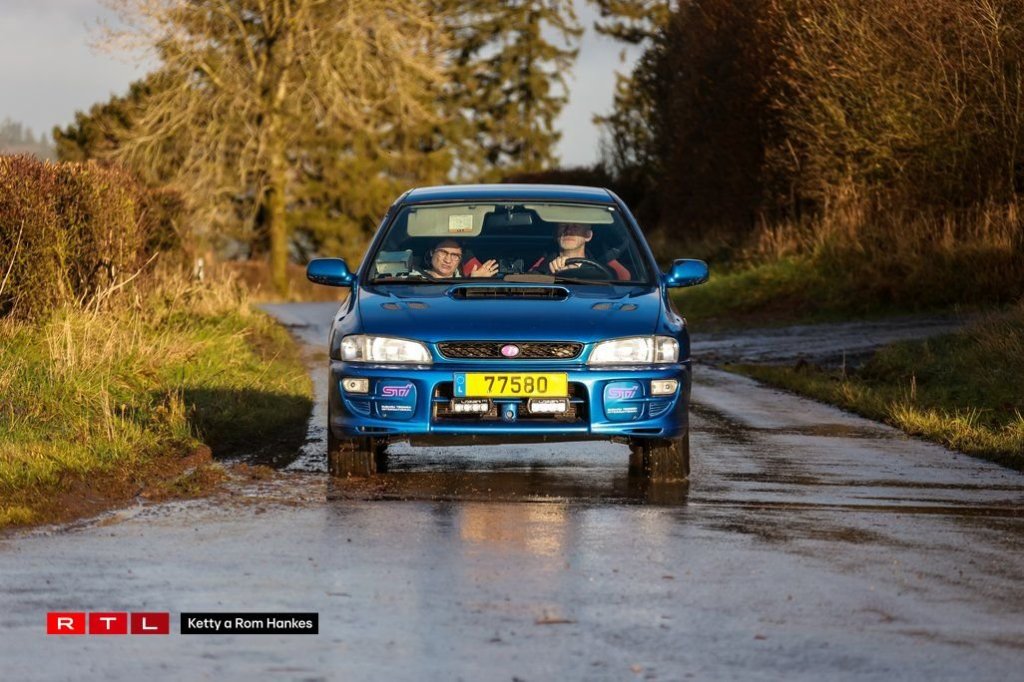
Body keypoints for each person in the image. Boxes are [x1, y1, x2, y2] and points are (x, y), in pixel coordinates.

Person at [529, 222, 631, 280]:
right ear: (556, 234)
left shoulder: (604, 271)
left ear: (588, 235)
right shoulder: (542, 269)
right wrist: (550, 274)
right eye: (563, 226)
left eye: (575, 226)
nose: (568, 231)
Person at [420, 239, 497, 279]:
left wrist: (474, 282)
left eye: (455, 255)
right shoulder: (414, 279)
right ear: (432, 253)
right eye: (443, 252)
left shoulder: (463, 283)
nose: (448, 260)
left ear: (460, 260)